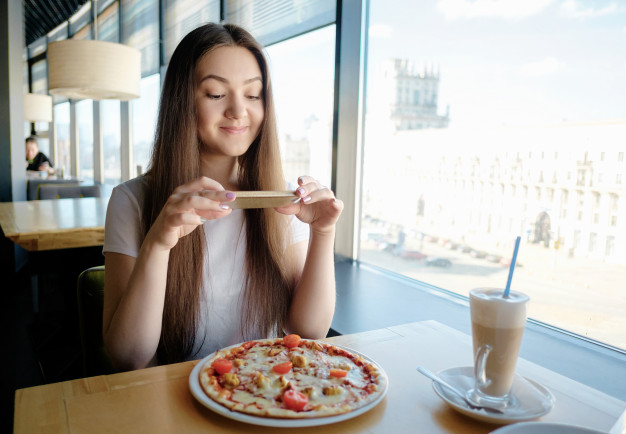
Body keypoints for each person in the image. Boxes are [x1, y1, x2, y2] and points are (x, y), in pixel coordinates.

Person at [102, 23, 343, 371]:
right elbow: (129, 356)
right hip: (172, 398)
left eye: (253, 94)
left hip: (261, 392)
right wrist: (158, 243)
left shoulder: (282, 198)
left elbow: (310, 330)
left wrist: (322, 232)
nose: (237, 110)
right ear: (182, 102)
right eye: (216, 94)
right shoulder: (133, 200)